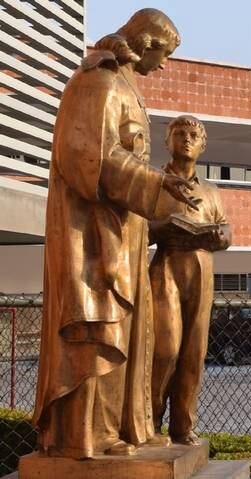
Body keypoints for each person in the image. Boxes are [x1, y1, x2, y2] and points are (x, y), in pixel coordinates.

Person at [32, 9, 196, 458]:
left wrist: (158, 185)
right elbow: (88, 156)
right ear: (146, 42)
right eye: (164, 54)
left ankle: (127, 428)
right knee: (102, 329)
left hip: (125, 230)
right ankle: (92, 436)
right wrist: (154, 181)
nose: (164, 65)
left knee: (129, 329)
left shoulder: (126, 85)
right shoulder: (98, 80)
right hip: (93, 235)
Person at [150, 116, 232, 445]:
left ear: (202, 145)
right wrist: (160, 228)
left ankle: (183, 427)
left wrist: (216, 234)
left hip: (201, 268)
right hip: (166, 266)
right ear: (167, 141)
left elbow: (226, 231)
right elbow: (134, 231)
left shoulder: (211, 191)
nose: (186, 139)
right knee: (164, 350)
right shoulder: (153, 182)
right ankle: (149, 423)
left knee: (193, 353)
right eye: (179, 134)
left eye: (193, 135)